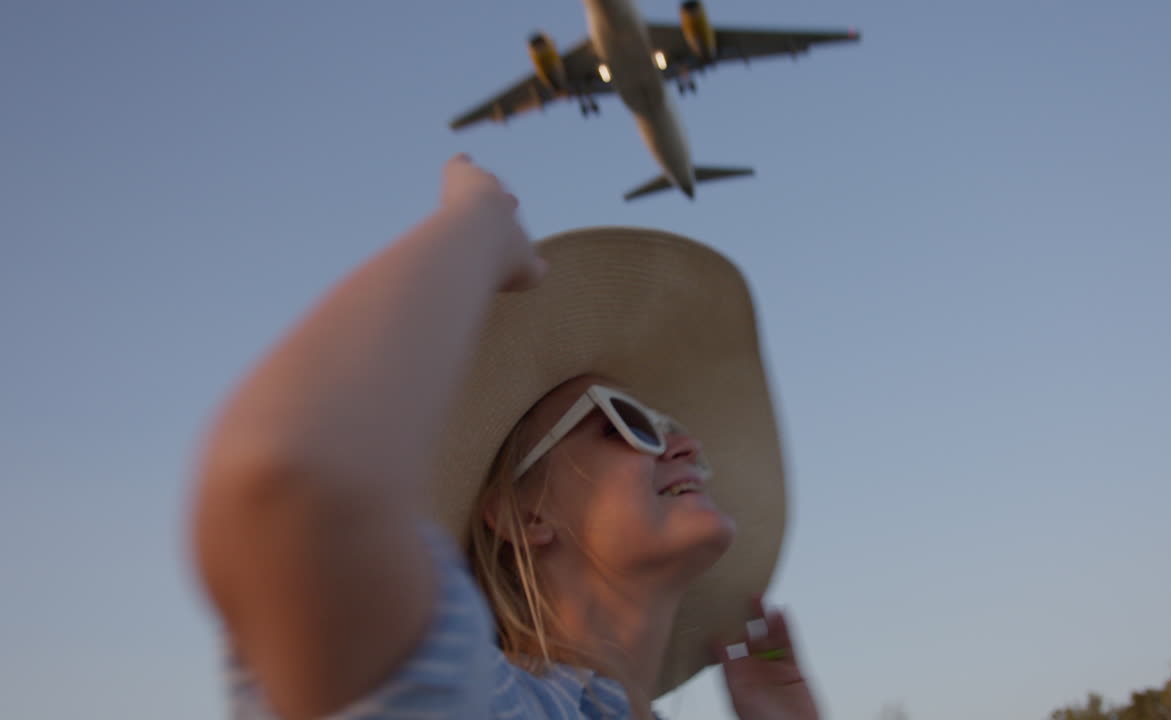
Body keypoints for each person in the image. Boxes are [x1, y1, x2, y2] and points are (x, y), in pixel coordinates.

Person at [191, 155, 819, 719]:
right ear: (522, 514)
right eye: (627, 422)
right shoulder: (490, 701)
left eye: (674, 431)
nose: (685, 447)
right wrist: (474, 227)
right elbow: (294, 480)